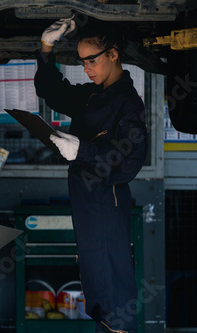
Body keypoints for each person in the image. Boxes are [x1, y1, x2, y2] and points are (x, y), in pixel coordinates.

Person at [35, 17, 148, 333]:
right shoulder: (93, 96)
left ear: (113, 54)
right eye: (82, 62)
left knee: (113, 284)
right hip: (86, 201)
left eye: (92, 60)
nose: (86, 68)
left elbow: (131, 163)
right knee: (97, 283)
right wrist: (46, 47)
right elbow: (51, 90)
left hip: (106, 202)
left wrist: (81, 150)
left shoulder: (128, 103)